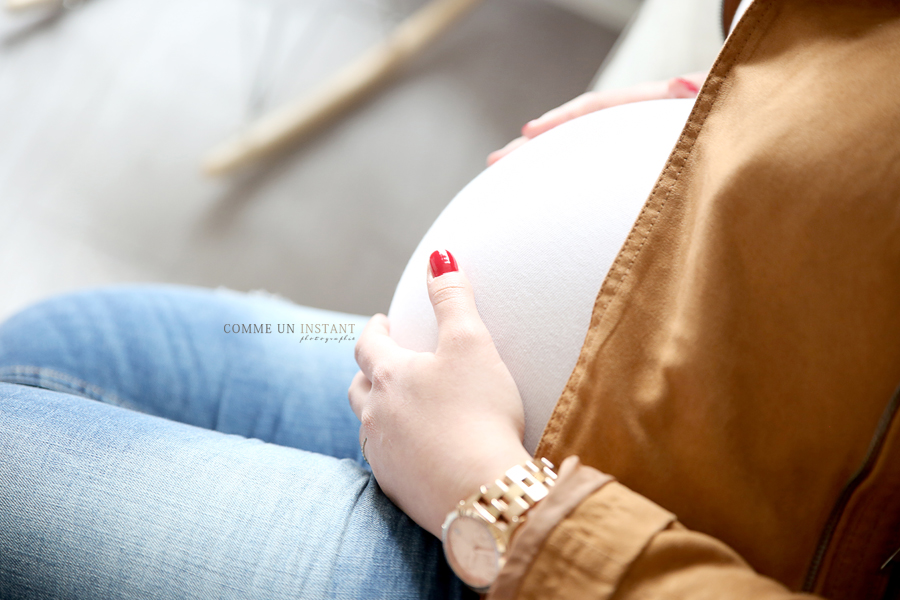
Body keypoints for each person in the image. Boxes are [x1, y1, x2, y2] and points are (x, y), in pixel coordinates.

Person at [2, 0, 899, 599]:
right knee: (65, 348)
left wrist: (497, 498)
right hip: (533, 414)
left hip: (566, 541)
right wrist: (753, 113)